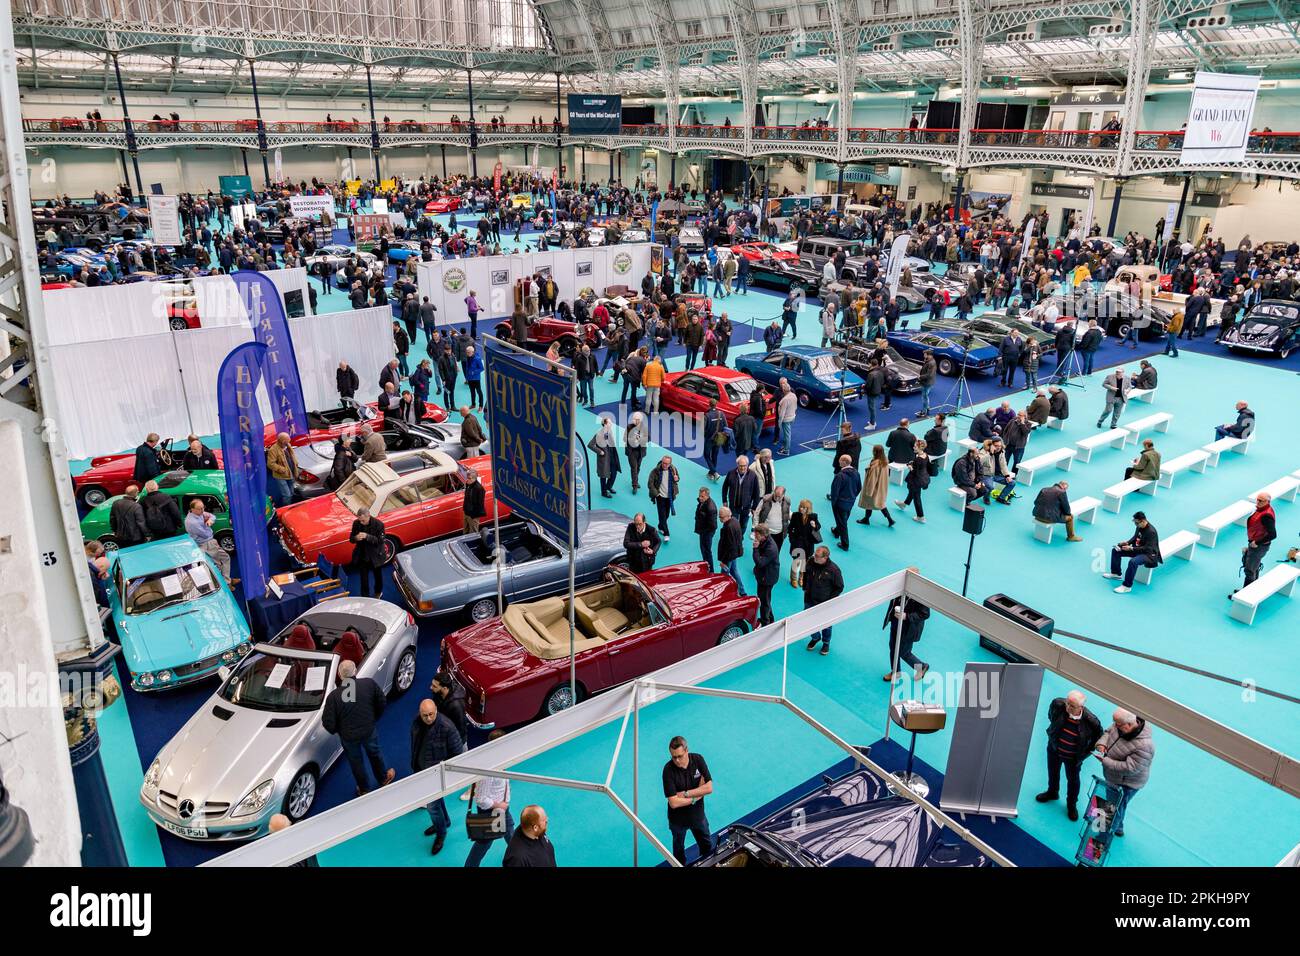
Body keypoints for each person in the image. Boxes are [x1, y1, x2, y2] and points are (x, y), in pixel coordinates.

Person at [322, 658, 395, 796]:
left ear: (339, 674)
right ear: (355, 671)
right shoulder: (369, 683)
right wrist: (373, 718)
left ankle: (364, 789)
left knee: (356, 763)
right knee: (375, 754)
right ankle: (383, 778)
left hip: (348, 737)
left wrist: (340, 730)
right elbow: (382, 702)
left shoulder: (333, 697)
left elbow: (328, 723)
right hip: (368, 730)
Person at [1034, 690, 1103, 822]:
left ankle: (1071, 805)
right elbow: (1051, 717)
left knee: (1073, 781)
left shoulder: (1091, 721)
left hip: (1073, 757)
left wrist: (1083, 754)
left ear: (1081, 708)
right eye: (1067, 703)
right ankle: (1052, 792)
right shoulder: (1058, 705)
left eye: (1072, 706)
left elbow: (1098, 738)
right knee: (1053, 772)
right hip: (1054, 748)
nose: (1067, 707)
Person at [410, 698, 465, 855]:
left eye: (431, 714)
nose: (428, 718)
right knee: (437, 802)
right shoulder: (416, 722)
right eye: (425, 715)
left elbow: (457, 754)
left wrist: (443, 773)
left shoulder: (447, 728)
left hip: (436, 776)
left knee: (432, 807)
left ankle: (441, 834)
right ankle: (445, 822)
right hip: (421, 770)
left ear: (436, 711)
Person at [1095, 708, 1156, 838]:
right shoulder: (1120, 723)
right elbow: (1108, 732)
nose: (1115, 726)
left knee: (1113, 809)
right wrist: (1102, 744)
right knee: (1118, 805)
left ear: (1129, 724)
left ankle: (1103, 838)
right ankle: (1119, 829)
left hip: (1126, 783)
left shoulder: (1145, 746)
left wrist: (1105, 761)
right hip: (1114, 776)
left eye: (1118, 724)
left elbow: (1130, 768)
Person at [662, 736, 714, 865]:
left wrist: (685, 794)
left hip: (698, 816)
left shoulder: (698, 759)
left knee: (707, 846)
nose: (677, 760)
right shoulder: (668, 770)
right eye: (674, 757)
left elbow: (709, 788)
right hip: (677, 821)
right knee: (678, 851)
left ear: (687, 750)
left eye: (680, 756)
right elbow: (673, 803)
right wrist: (696, 796)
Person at [1104, 511, 1161, 594]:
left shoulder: (1151, 532)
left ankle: (1127, 586)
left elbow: (1147, 548)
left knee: (1133, 562)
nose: (1135, 525)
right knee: (1116, 550)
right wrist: (1127, 543)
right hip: (1137, 549)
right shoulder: (1139, 526)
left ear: (1143, 521)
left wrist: (1131, 548)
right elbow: (1135, 537)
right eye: (1134, 522)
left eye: (1137, 523)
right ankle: (1116, 574)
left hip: (1149, 554)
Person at [802, 546, 844, 655]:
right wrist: (805, 587)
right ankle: (815, 637)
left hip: (825, 603)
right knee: (809, 621)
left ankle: (826, 642)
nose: (814, 556)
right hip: (809, 598)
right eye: (815, 554)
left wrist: (830, 601)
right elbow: (806, 573)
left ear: (825, 557)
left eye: (817, 556)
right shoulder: (811, 561)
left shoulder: (834, 570)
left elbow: (839, 587)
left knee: (826, 624)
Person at [1234, 492, 1277, 597]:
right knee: (1254, 567)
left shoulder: (1266, 515)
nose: (1257, 502)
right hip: (1255, 544)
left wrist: (1256, 542)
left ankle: (1245, 595)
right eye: (1257, 499)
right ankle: (1253, 589)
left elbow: (1273, 534)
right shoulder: (1261, 510)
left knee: (1249, 570)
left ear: (1267, 502)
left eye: (1260, 501)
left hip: (1259, 546)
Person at [882, 586, 930, 681]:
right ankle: (896, 671)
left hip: (909, 628)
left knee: (903, 652)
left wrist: (907, 616)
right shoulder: (900, 586)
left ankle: (921, 667)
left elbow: (925, 614)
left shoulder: (921, 594)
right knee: (893, 647)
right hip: (896, 621)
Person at [184, 497, 233, 582]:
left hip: (210, 542)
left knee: (224, 559)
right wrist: (208, 525)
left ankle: (227, 580)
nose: (203, 510)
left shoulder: (199, 513)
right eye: (200, 509)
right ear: (192, 509)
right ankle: (226, 583)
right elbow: (206, 534)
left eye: (203, 507)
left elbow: (213, 516)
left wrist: (210, 520)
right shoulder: (192, 522)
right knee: (218, 564)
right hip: (206, 544)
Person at [349, 507, 387, 598]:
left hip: (375, 555)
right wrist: (355, 538)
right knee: (363, 579)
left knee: (378, 576)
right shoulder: (356, 523)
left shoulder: (379, 524)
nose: (361, 522)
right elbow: (351, 539)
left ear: (368, 516)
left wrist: (367, 536)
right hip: (362, 555)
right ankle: (365, 597)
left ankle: (378, 592)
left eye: (363, 520)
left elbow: (380, 541)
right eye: (359, 520)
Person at [856, 445, 895, 527]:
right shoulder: (884, 461)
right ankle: (888, 519)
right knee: (879, 503)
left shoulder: (876, 465)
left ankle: (868, 519)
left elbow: (873, 479)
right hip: (881, 486)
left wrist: (869, 491)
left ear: (875, 452)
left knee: (870, 503)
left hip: (874, 488)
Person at [829, 454, 862, 550]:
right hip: (850, 502)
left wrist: (834, 503)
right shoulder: (856, 473)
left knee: (842, 523)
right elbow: (859, 487)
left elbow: (835, 491)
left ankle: (845, 544)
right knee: (843, 519)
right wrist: (852, 497)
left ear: (844, 462)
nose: (839, 462)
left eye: (840, 461)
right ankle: (836, 531)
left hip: (840, 503)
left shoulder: (840, 476)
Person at [722, 455, 760, 535]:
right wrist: (724, 500)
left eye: (744, 466)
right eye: (740, 466)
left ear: (747, 465)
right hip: (733, 505)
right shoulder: (731, 473)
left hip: (746, 507)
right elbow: (725, 487)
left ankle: (739, 538)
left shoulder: (753, 475)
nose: (742, 468)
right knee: (732, 524)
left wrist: (754, 507)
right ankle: (733, 537)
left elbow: (756, 492)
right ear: (737, 465)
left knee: (743, 525)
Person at [895, 440, 931, 523]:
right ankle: (903, 504)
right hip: (922, 478)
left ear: (920, 448)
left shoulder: (918, 459)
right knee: (912, 492)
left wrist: (910, 467)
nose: (913, 447)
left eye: (915, 446)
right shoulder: (925, 455)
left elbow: (914, 471)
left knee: (916, 497)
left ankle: (920, 516)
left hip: (916, 481)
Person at [752, 524, 780, 626]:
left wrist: (755, 549)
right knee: (765, 599)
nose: (755, 536)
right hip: (765, 576)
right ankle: (770, 619)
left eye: (756, 534)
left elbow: (760, 563)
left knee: (764, 601)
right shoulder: (765, 541)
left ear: (763, 535)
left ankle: (765, 623)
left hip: (767, 578)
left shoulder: (771, 548)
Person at [647, 455, 680, 541]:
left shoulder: (673, 470)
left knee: (666, 515)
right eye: (663, 463)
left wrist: (676, 479)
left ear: (670, 464)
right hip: (660, 497)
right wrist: (656, 494)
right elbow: (650, 484)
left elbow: (677, 479)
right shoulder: (655, 471)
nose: (664, 465)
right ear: (661, 461)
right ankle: (666, 533)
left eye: (667, 464)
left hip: (669, 497)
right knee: (662, 515)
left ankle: (660, 526)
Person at [588, 415, 621, 497]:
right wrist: (600, 452)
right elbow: (590, 445)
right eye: (610, 422)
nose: (611, 423)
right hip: (604, 458)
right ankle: (604, 492)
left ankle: (608, 487)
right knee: (603, 476)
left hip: (612, 456)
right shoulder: (599, 434)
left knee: (614, 473)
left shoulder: (610, 431)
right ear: (605, 424)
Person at [717, 506, 746, 595]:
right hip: (734, 554)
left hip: (728, 556)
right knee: (734, 571)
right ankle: (742, 591)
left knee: (723, 576)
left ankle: (723, 593)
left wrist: (723, 561)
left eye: (721, 517)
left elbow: (728, 546)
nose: (719, 519)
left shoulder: (727, 528)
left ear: (726, 516)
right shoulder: (735, 521)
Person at [266, 433, 299, 507]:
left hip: (291, 473)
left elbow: (292, 455)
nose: (289, 442)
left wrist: (295, 463)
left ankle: (291, 506)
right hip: (281, 476)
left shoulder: (287, 445)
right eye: (287, 441)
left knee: (291, 492)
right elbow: (270, 464)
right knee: (287, 495)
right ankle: (286, 508)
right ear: (282, 441)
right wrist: (282, 469)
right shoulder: (273, 450)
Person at [702, 400, 727, 481]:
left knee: (706, 455)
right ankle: (711, 474)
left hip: (709, 439)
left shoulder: (707, 415)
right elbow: (726, 426)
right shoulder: (721, 414)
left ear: (709, 405)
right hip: (719, 438)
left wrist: (706, 435)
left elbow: (702, 429)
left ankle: (714, 472)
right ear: (716, 405)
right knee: (714, 455)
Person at [695, 487, 718, 572]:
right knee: (703, 549)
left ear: (707, 496)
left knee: (707, 551)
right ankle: (706, 565)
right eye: (700, 496)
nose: (700, 498)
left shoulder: (710, 508)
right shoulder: (703, 503)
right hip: (703, 531)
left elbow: (713, 525)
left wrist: (704, 532)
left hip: (707, 532)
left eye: (702, 496)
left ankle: (710, 570)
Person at [625, 412, 649, 493]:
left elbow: (649, 438)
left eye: (637, 419)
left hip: (640, 451)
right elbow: (625, 439)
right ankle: (634, 485)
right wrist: (633, 439)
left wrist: (640, 439)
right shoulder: (629, 427)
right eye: (634, 419)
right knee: (634, 468)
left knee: (638, 467)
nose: (635, 421)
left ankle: (635, 481)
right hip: (631, 451)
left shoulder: (644, 428)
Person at [775, 381, 798, 456]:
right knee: (786, 434)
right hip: (792, 417)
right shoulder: (794, 395)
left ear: (784, 390)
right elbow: (795, 407)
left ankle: (786, 450)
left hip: (786, 419)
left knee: (787, 435)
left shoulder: (785, 400)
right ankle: (785, 446)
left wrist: (779, 423)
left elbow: (782, 414)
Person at [462, 469, 486, 534]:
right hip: (467, 512)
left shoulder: (479, 489)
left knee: (473, 532)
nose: (467, 480)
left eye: (469, 478)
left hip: (473, 514)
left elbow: (480, 504)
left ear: (474, 479)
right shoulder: (469, 484)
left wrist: (473, 516)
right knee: (465, 530)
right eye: (467, 478)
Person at [463, 344, 484, 409]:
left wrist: (474, 372)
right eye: (467, 352)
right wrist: (467, 377)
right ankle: (473, 404)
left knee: (479, 392)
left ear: (473, 352)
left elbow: (482, 368)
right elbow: (467, 367)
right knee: (472, 392)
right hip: (470, 379)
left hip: (476, 379)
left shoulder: (477, 359)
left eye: (469, 352)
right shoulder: (467, 358)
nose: (468, 353)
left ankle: (481, 406)